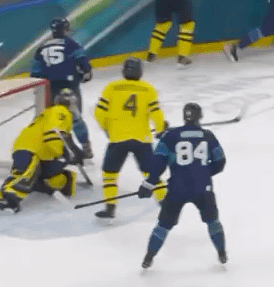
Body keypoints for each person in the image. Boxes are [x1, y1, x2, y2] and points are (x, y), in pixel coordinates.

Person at [137, 103, 228, 268]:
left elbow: (158, 162)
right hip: (203, 187)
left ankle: (148, 257)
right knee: (213, 221)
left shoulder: (170, 136)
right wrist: (203, 173)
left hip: (177, 188)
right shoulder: (208, 136)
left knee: (163, 225)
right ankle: (221, 252)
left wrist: (149, 183)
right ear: (200, 116)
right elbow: (220, 161)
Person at [92, 57, 169, 219]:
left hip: (118, 138)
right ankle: (165, 203)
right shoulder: (148, 89)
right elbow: (156, 113)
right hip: (141, 139)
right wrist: (160, 130)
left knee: (110, 174)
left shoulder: (112, 87)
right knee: (151, 173)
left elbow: (99, 112)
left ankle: (110, 207)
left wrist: (107, 129)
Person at [0, 89, 83, 213]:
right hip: (32, 147)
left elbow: (61, 136)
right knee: (25, 174)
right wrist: (62, 154)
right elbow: (52, 132)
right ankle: (7, 199)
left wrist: (72, 151)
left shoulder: (47, 112)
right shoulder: (61, 111)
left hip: (32, 147)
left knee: (51, 178)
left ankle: (14, 193)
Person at [31, 17, 94, 158]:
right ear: (65, 29)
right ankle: (85, 147)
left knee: (47, 118)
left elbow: (35, 72)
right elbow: (83, 62)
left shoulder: (41, 48)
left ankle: (46, 147)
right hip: (69, 86)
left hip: (49, 89)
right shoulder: (71, 44)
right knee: (75, 118)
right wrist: (86, 73)